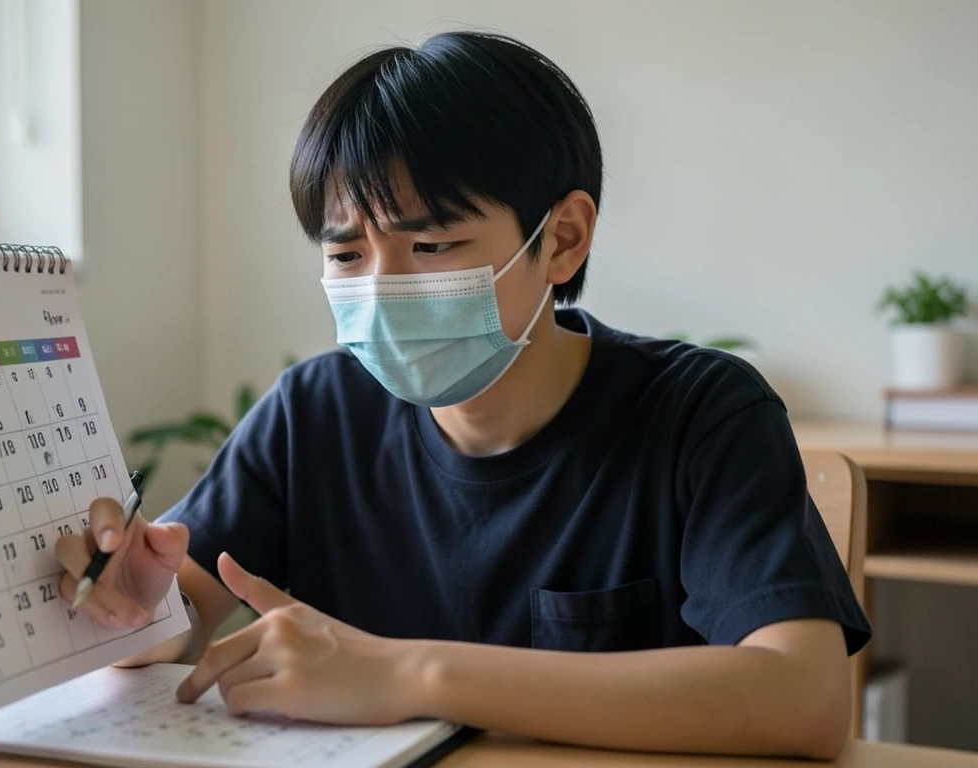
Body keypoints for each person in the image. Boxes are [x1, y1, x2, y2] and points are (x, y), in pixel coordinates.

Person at [54, 30, 870, 759]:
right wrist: (130, 609)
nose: (381, 288)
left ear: (562, 239)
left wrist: (409, 672)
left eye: (432, 243)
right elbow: (167, 622)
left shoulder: (701, 414)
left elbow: (801, 699)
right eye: (346, 256)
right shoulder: (315, 414)